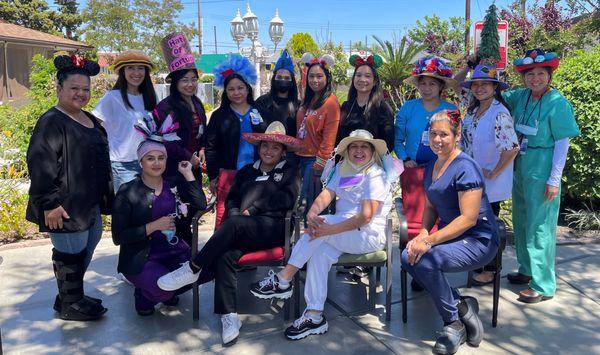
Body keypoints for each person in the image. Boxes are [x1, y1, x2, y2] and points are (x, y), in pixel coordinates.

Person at [156, 121, 302, 346]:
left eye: (275, 148)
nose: (269, 151)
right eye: (265, 146)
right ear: (259, 147)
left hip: (272, 228)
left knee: (234, 226)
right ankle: (229, 315)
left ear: (282, 151)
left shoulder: (290, 170)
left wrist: (251, 211)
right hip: (242, 228)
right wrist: (236, 214)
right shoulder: (246, 171)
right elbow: (232, 198)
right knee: (226, 255)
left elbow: (287, 199)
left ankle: (194, 267)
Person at [250, 129, 398, 341]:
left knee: (322, 227)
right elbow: (328, 193)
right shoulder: (343, 168)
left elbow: (365, 217)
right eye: (354, 146)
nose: (358, 151)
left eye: (364, 146)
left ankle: (284, 279)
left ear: (372, 151)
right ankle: (314, 315)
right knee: (320, 253)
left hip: (368, 235)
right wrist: (312, 212)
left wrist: (327, 229)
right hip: (342, 232)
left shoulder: (375, 175)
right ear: (347, 150)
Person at [400, 109, 499, 355]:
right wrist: (423, 233)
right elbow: (431, 205)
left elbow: (468, 218)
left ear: (457, 136)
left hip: (479, 239)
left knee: (426, 261)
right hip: (450, 236)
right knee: (406, 257)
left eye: (444, 134)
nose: (437, 140)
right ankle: (462, 308)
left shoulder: (466, 167)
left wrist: (430, 241)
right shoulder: (434, 162)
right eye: (433, 134)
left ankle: (451, 323)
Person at [26, 55, 111, 321]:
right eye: (74, 88)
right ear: (59, 88)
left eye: (85, 89)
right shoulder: (52, 121)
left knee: (87, 248)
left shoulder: (89, 119)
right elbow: (40, 164)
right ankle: (70, 304)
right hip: (63, 205)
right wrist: (49, 203)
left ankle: (70, 296)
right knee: (70, 254)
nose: (81, 94)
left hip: (89, 202)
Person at [503, 49, 580, 303]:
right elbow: (496, 93)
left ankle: (544, 284)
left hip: (543, 163)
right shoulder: (521, 96)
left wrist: (554, 179)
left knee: (541, 226)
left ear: (549, 75)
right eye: (530, 74)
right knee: (522, 219)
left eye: (540, 74)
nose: (535, 79)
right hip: (521, 164)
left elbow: (562, 142)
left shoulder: (558, 103)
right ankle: (526, 269)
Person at [112, 139, 206, 316]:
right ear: (141, 162)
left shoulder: (174, 184)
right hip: (143, 258)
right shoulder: (127, 192)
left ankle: (162, 290)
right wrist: (152, 226)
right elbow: (119, 237)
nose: (156, 163)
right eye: (150, 158)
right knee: (163, 288)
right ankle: (145, 295)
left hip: (175, 251)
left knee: (205, 271)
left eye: (161, 158)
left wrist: (188, 174)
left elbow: (200, 204)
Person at [459, 64, 519, 285]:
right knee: (476, 222)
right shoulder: (474, 111)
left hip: (490, 183)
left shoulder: (499, 113)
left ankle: (491, 269)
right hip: (472, 177)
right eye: (476, 84)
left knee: (490, 224)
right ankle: (479, 264)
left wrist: (494, 171)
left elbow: (511, 148)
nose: (480, 88)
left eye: (485, 84)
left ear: (495, 87)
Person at [205, 55, 268, 229]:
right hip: (229, 174)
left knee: (252, 214)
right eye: (231, 89)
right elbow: (211, 148)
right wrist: (213, 176)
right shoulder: (219, 116)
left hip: (257, 173)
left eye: (240, 88)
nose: (237, 92)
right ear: (226, 92)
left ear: (248, 89)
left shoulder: (259, 111)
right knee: (226, 215)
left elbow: (269, 140)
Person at [92, 50, 157, 192]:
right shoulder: (112, 97)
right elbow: (92, 125)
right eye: (130, 68)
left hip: (149, 163)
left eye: (140, 68)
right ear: (123, 71)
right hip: (123, 165)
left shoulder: (150, 97)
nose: (136, 73)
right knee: (126, 210)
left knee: (148, 210)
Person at [153, 33, 206, 180]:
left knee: (197, 203)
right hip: (174, 169)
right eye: (185, 80)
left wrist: (202, 149)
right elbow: (162, 140)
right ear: (175, 83)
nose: (190, 84)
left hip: (194, 166)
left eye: (194, 79)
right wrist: (187, 156)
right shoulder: (165, 107)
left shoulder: (197, 103)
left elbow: (202, 132)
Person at [295, 53, 341, 214]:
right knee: (299, 204)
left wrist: (319, 165)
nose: (315, 80)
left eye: (319, 76)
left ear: (327, 78)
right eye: (312, 76)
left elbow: (330, 137)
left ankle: (313, 237)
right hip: (299, 157)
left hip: (314, 161)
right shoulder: (308, 99)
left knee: (311, 207)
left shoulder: (331, 102)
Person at [394, 56, 457, 167]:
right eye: (423, 83)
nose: (426, 88)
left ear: (441, 86)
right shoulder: (408, 107)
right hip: (413, 171)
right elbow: (397, 139)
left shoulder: (452, 110)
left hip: (443, 170)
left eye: (432, 84)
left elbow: (457, 141)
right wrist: (405, 159)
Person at [337, 54, 394, 152]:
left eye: (367, 76)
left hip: (374, 164)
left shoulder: (383, 108)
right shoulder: (346, 106)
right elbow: (339, 139)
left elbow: (388, 144)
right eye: (358, 75)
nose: (362, 79)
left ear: (375, 81)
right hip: (347, 162)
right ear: (354, 79)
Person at [255, 49, 299, 137]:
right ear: (274, 79)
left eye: (287, 78)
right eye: (279, 77)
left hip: (290, 150)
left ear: (292, 81)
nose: (283, 80)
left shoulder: (298, 106)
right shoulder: (261, 102)